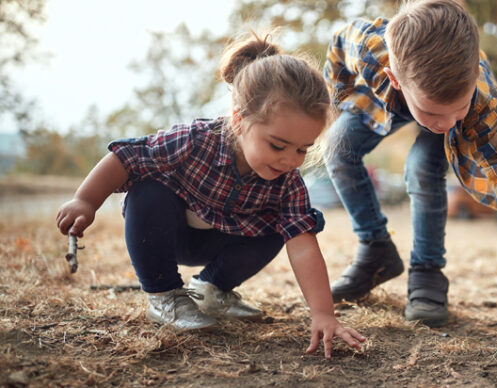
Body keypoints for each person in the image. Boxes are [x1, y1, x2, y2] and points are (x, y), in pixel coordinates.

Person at [56, 31, 365, 359]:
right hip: (167, 234)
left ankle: (212, 289)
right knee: (147, 190)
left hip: (225, 240)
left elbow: (302, 246)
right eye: (277, 145)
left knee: (293, 224)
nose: (290, 160)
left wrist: (323, 314)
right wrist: (85, 201)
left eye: (303, 149)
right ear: (240, 120)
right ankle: (165, 296)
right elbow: (127, 157)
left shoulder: (287, 181)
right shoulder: (193, 140)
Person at [323, 0, 497, 327]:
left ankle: (427, 271)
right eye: (433, 113)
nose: (445, 123)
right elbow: (338, 46)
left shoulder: (479, 102)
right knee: (337, 145)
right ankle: (376, 251)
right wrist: (335, 104)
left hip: (438, 96)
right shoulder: (369, 48)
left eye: (456, 109)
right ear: (396, 79)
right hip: (384, 96)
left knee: (422, 167)